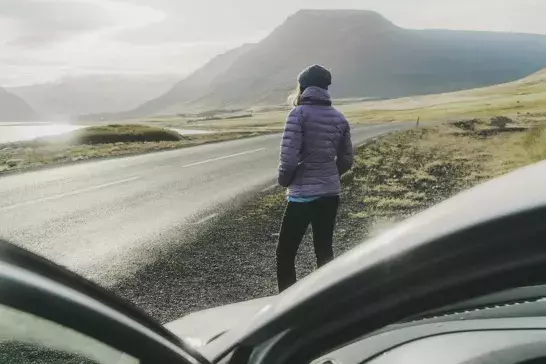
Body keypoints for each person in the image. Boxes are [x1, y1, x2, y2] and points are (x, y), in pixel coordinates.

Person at [276, 64, 354, 292]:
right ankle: (327, 304)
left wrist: (284, 181)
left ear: (303, 87)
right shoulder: (340, 118)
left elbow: (288, 160)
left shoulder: (297, 114)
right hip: (330, 195)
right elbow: (347, 160)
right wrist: (329, 175)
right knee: (324, 251)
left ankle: (287, 305)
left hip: (302, 197)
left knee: (286, 253)